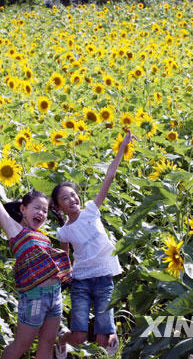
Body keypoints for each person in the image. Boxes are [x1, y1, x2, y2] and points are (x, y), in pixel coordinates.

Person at [52, 130, 133, 357]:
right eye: (65, 198)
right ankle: (62, 339)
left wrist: (122, 148)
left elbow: (109, 177)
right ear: (59, 207)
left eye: (72, 194)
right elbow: (64, 258)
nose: (72, 199)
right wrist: (61, 278)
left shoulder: (91, 210)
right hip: (81, 282)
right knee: (78, 337)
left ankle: (110, 334)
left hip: (104, 278)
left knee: (101, 339)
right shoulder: (64, 231)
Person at [0, 161, 72, 359]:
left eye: (45, 211)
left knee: (47, 344)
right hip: (35, 298)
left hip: (54, 296)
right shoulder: (15, 231)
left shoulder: (43, 236)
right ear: (23, 209)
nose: (41, 213)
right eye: (36, 208)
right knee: (22, 345)